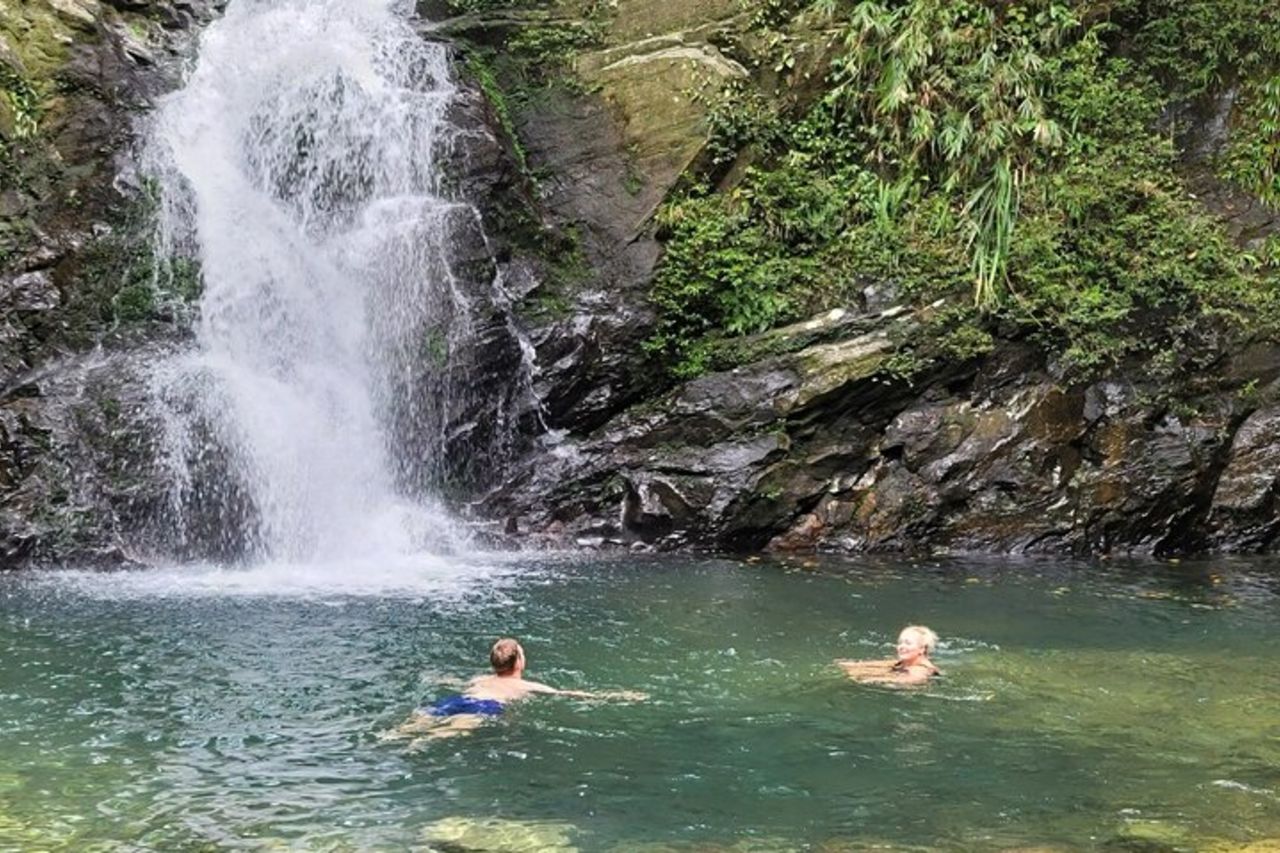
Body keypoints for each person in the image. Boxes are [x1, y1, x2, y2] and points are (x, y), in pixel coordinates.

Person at [398, 638, 645, 740]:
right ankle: (421, 743)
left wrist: (435, 677)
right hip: (485, 706)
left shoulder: (480, 679)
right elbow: (569, 695)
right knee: (452, 730)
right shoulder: (525, 686)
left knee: (423, 719)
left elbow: (454, 682)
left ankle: (395, 735)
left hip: (459, 698)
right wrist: (617, 696)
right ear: (518, 662)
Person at [836, 625, 941, 686]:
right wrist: (854, 665)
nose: (901, 646)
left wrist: (874, 679)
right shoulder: (906, 662)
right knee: (854, 671)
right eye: (900, 642)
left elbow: (912, 680)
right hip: (901, 672)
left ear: (922, 649)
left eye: (908, 643)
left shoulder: (920, 669)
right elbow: (886, 663)